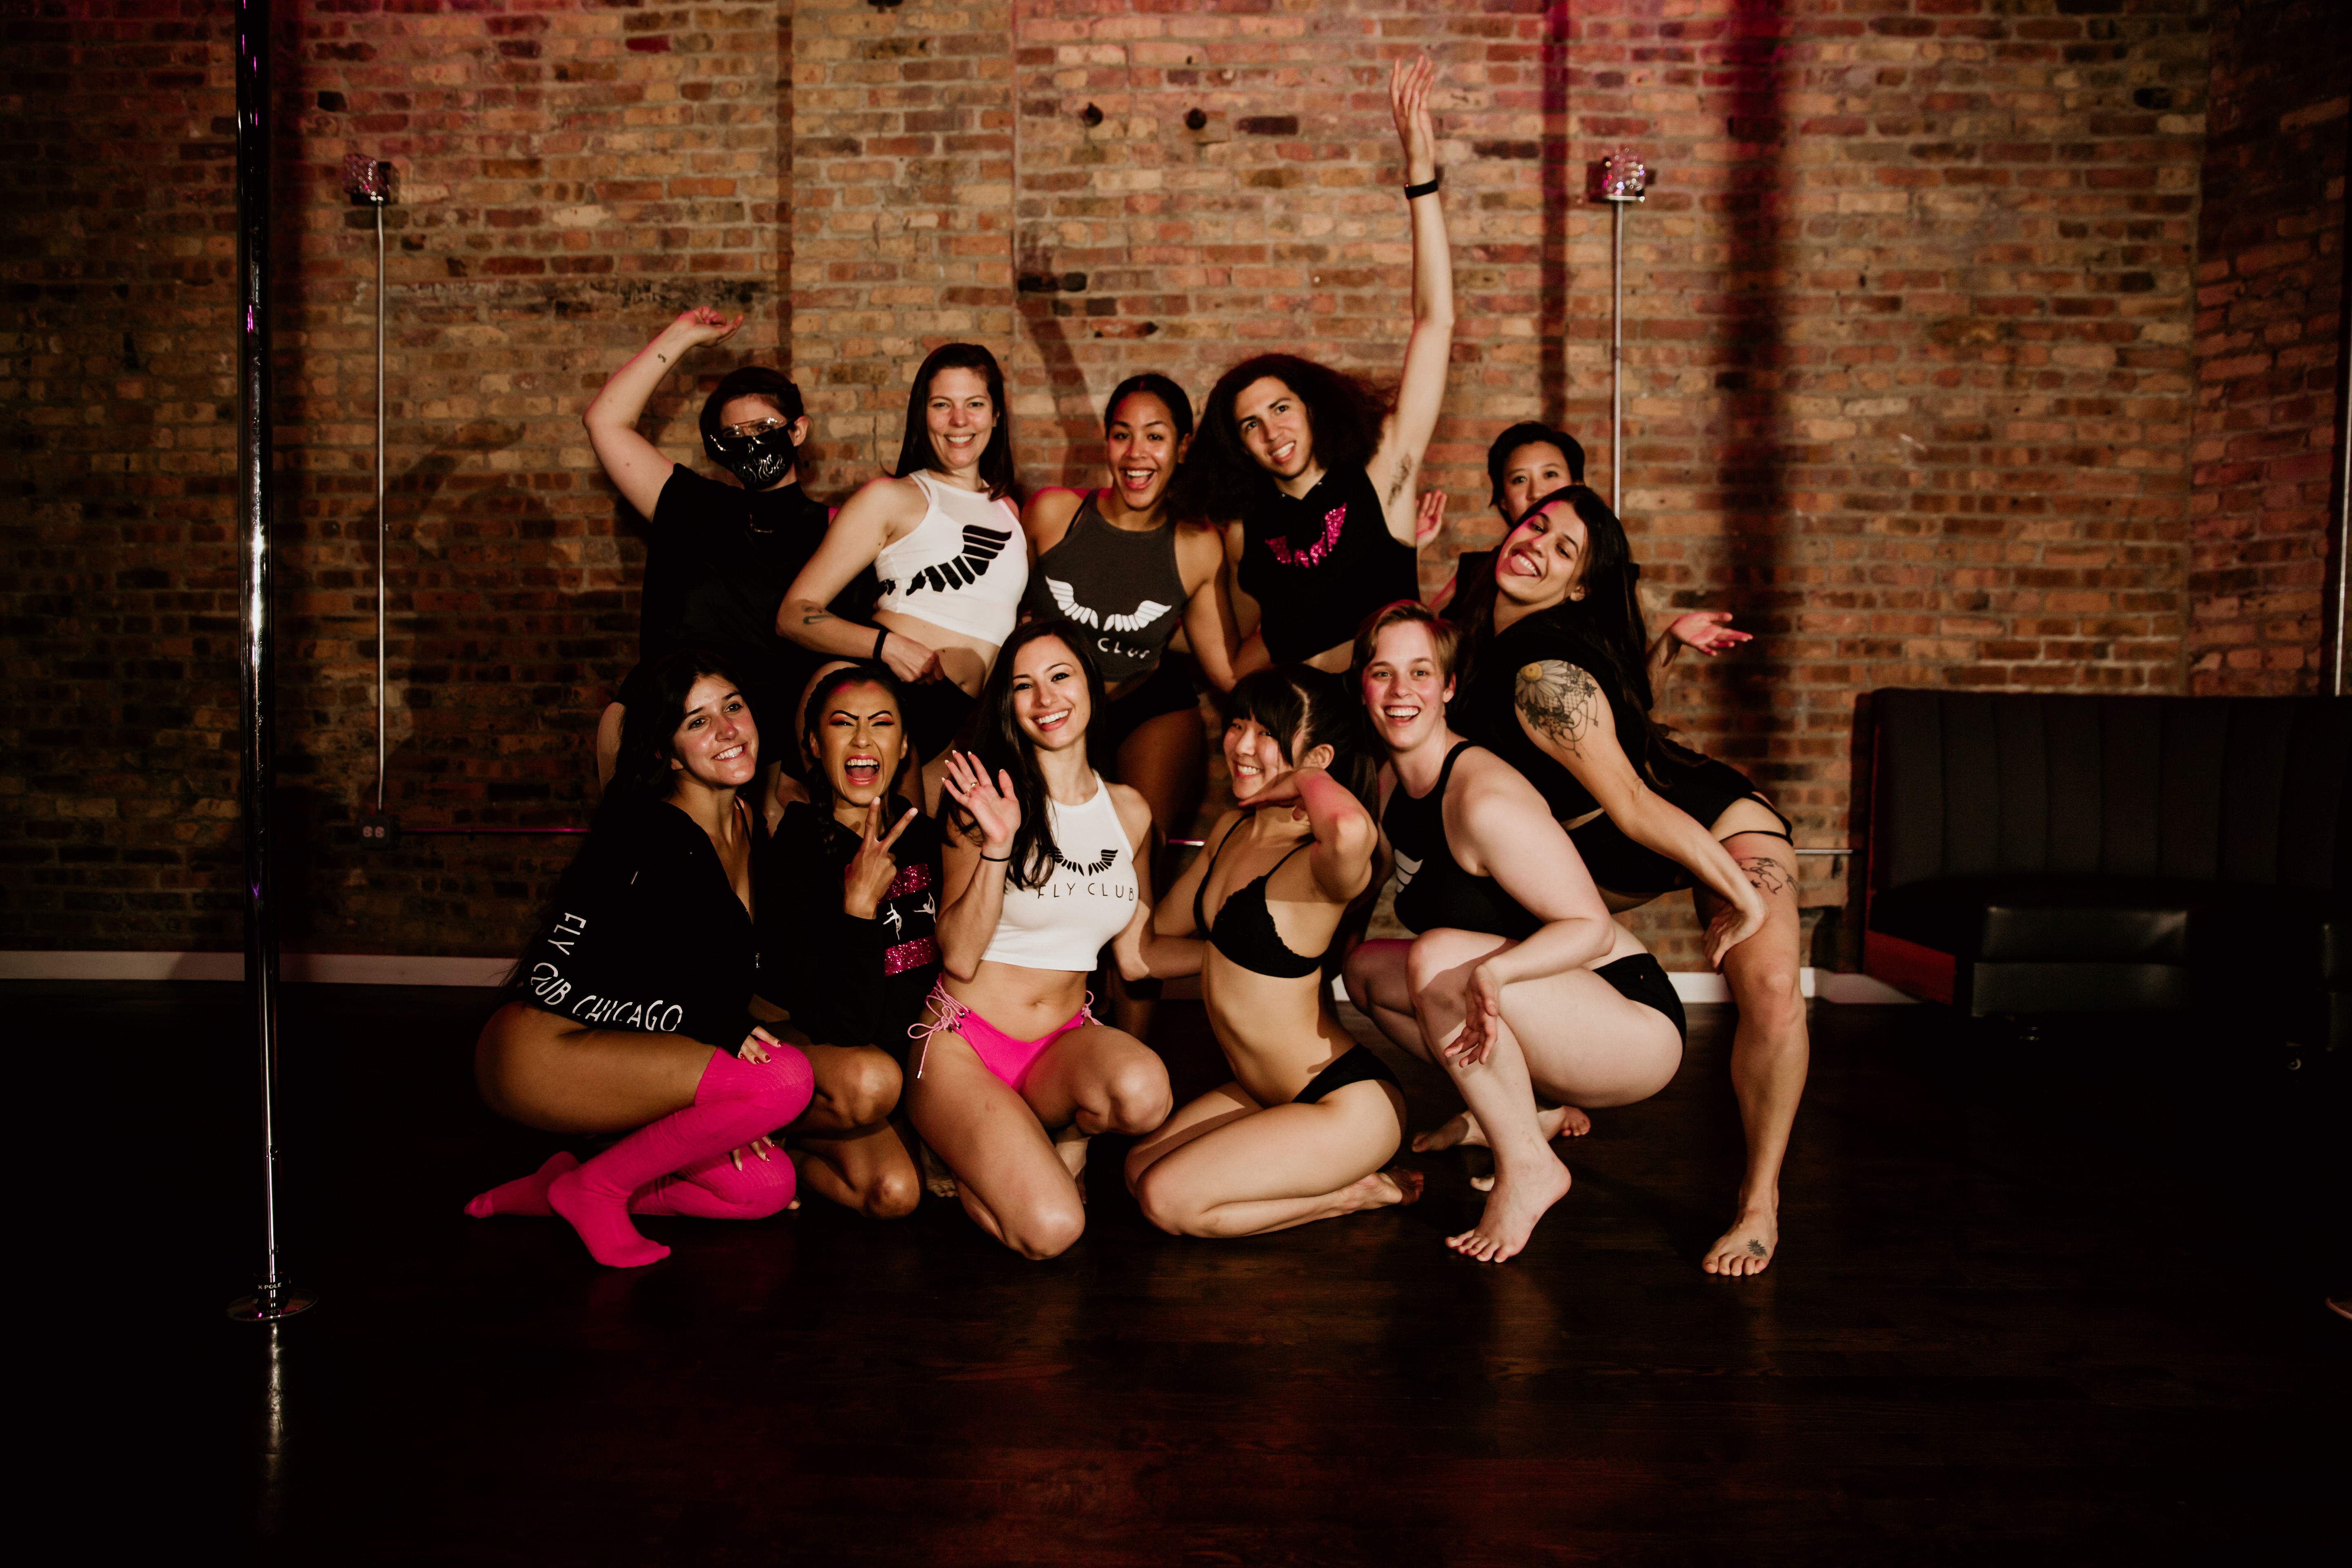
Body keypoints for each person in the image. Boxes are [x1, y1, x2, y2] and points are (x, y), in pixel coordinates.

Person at [1446, 486, 1802, 1278]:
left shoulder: (1544, 672)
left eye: (1563, 548)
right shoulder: (1479, 643)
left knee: (1774, 987)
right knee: (1478, 941)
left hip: (1705, 819)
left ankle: (1760, 1202)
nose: (1536, 543)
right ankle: (1530, 1111)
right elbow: (1626, 719)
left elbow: (1637, 799)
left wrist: (1743, 893)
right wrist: (1667, 645)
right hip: (1606, 852)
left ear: (1578, 585)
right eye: (1536, 525)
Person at [1341, 603, 1688, 1263]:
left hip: (1633, 1020)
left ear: (1448, 687)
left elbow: (1590, 929)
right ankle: (1521, 1113)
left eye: (1420, 672)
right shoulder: (1391, 784)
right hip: (1556, 1005)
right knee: (1365, 972)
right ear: (1362, 686)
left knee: (1438, 960)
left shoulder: (1482, 799)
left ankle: (1529, 1166)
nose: (1400, 691)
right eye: (1382, 672)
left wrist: (1496, 973)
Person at [466, 649, 816, 1268]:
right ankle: (596, 1189)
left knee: (764, 1189)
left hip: (634, 1046)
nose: (728, 729)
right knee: (784, 1078)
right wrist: (710, 1031)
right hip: (542, 1046)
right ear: (667, 753)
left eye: (733, 707)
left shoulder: (745, 819)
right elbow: (552, 982)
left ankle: (561, 1188)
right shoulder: (643, 836)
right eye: (697, 722)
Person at [1171, 56, 1453, 675]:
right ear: (1239, 446)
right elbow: (1250, 653)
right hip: (1294, 720)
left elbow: (1434, 322)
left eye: (1280, 409)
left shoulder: (1381, 471)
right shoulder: (1246, 532)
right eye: (1250, 425)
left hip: (1384, 713)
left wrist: (1420, 176)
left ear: (1312, 409)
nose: (1272, 431)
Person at [1119, 666, 1422, 1237]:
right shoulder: (1233, 831)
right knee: (1139, 1170)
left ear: (1320, 759)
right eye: (1238, 725)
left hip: (1347, 1104)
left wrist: (1303, 780)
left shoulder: (1320, 863)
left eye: (1268, 733)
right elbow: (1146, 953)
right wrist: (1123, 843)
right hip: (1267, 1094)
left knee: (1167, 1199)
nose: (1242, 746)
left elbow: (1351, 827)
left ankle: (1353, 1194)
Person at [906, 621, 1174, 1259]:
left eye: (1060, 677)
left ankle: (1055, 1141)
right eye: (1024, 685)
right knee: (1053, 1230)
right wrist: (998, 847)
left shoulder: (1130, 811)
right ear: (1009, 703)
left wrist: (1245, 951)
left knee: (1146, 1095)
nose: (1045, 698)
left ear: (1091, 687)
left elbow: (1137, 955)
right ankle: (960, 1146)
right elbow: (958, 954)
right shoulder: (982, 802)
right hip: (965, 1045)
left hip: (1059, 1050)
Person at [581, 307, 869, 786]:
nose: (752, 445)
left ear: (798, 430)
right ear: (719, 448)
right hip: (665, 740)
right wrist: (682, 336)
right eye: (735, 436)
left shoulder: (838, 530)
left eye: (764, 428)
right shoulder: (691, 506)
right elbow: (605, 421)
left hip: (770, 757)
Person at [778, 343, 1029, 789]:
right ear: (922, 415)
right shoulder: (892, 497)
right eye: (942, 405)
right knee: (852, 829)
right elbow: (793, 615)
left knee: (923, 837)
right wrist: (888, 647)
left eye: (974, 404)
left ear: (996, 416)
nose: (959, 420)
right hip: (879, 695)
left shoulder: (1009, 510)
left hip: (953, 719)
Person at [1021, 372, 1238, 852]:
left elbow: (1228, 671)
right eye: (1123, 435)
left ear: (1183, 448)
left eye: (1155, 437)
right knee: (1038, 840)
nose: (1136, 453)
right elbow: (1001, 615)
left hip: (1146, 704)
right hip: (1051, 703)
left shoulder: (1197, 545)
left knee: (1135, 846)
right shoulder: (1052, 514)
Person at [758, 662, 938, 1219]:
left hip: (909, 1067)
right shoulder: (794, 852)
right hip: (840, 1062)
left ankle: (788, 1154)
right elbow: (840, 1029)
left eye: (881, 723)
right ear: (816, 745)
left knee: (896, 1193)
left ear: (903, 745)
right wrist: (858, 909)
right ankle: (751, 1126)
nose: (863, 739)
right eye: (843, 723)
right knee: (870, 1091)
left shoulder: (925, 835)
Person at [1431, 422, 1750, 678]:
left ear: (1578, 486)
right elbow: (1421, 643)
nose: (1536, 491)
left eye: (1550, 475)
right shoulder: (1477, 570)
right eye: (1519, 480)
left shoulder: (1604, 579)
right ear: (1503, 499)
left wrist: (1671, 641)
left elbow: (1633, 699)